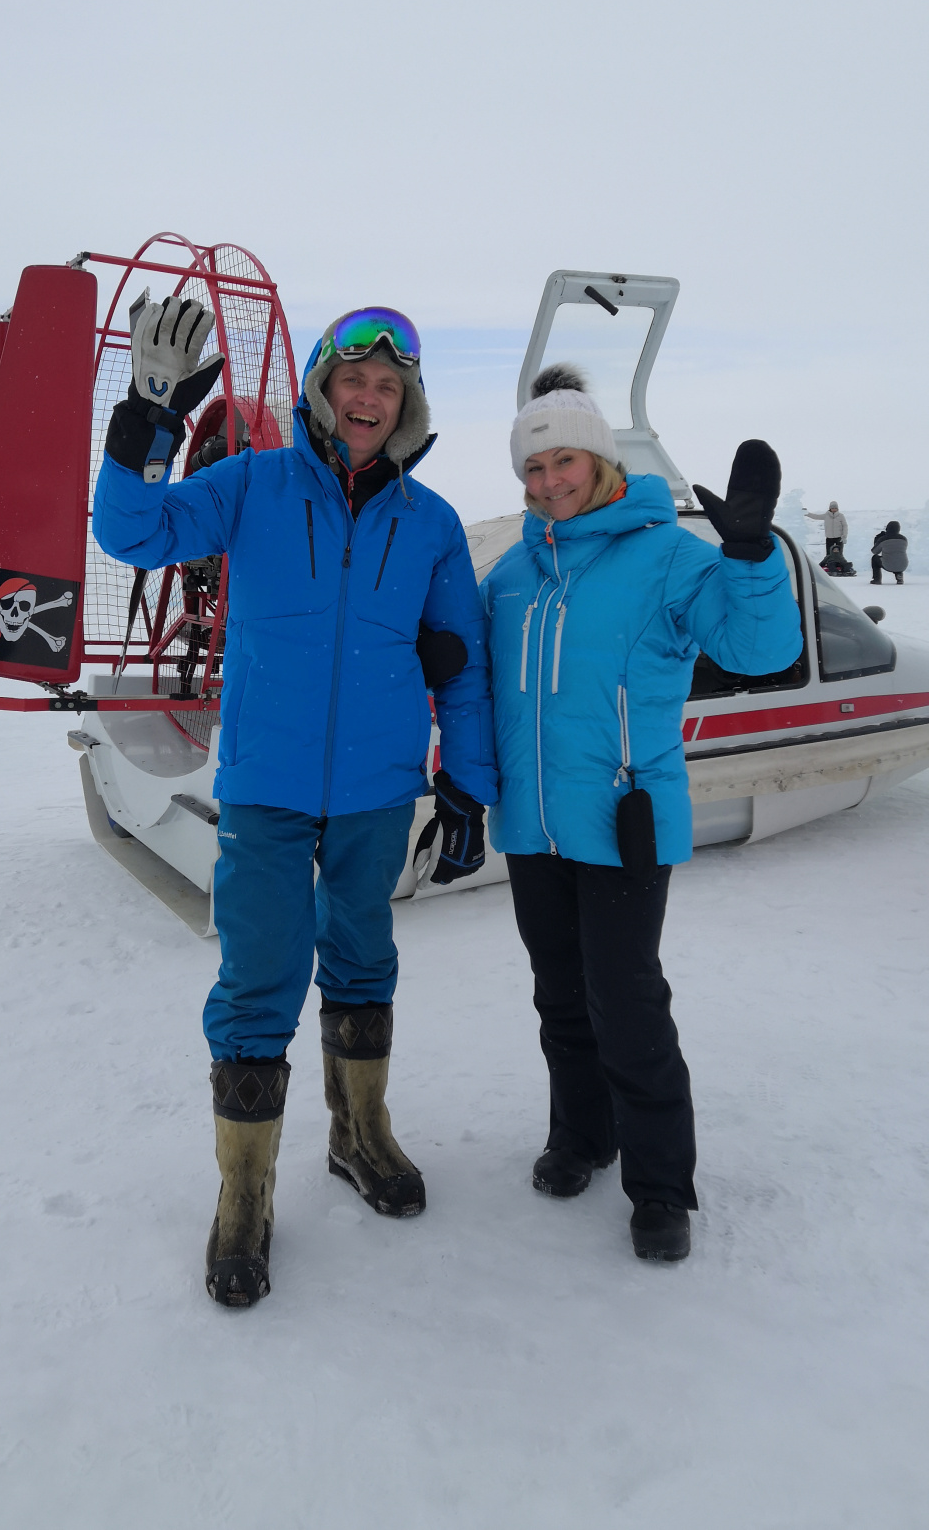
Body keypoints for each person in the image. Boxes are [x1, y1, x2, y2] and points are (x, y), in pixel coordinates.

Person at [92, 298, 497, 1307]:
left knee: (364, 957)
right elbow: (131, 530)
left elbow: (466, 667)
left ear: (405, 402)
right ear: (322, 386)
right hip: (268, 786)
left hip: (377, 789)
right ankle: (244, 1195)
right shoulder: (255, 484)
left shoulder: (432, 522)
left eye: (387, 384)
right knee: (260, 974)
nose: (368, 396)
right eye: (353, 378)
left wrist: (466, 786)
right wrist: (149, 414)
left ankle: (360, 1137)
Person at [481, 365, 802, 1262]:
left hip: (624, 815)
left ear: (599, 459)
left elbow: (758, 650)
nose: (547, 483)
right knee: (559, 996)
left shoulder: (667, 553)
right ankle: (581, 1136)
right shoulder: (512, 570)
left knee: (625, 1002)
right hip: (534, 823)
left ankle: (660, 1185)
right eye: (531, 471)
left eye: (562, 463)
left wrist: (748, 557)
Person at [805, 500, 849, 568]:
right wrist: (807, 513)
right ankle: (829, 565)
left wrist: (844, 536)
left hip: (839, 538)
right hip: (829, 538)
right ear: (830, 508)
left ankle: (840, 566)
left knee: (839, 554)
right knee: (829, 554)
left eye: (835, 508)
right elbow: (816, 516)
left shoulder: (841, 516)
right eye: (832, 508)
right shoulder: (826, 515)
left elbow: (845, 526)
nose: (834, 509)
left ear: (837, 509)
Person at [871, 519, 908, 584]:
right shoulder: (904, 539)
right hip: (903, 565)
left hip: (888, 565)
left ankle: (877, 579)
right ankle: (899, 576)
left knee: (874, 558)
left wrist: (877, 540)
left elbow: (875, 551)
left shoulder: (883, 539)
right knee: (897, 557)